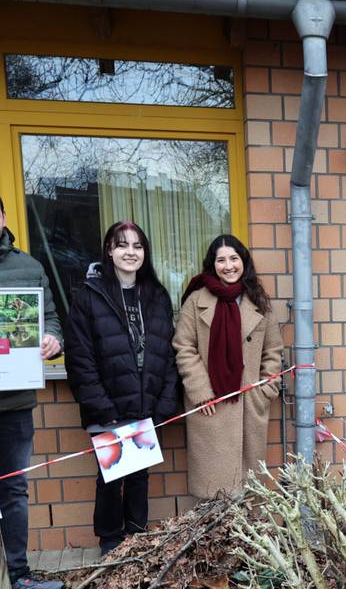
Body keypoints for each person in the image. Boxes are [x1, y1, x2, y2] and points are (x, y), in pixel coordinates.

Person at [65, 221, 178, 555]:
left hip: (146, 405)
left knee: (140, 476)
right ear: (109, 251)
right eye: (122, 245)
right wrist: (104, 407)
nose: (131, 252)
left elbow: (168, 353)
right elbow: (80, 359)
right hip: (108, 406)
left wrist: (164, 403)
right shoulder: (90, 296)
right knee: (111, 477)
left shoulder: (156, 296)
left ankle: (137, 539)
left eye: (137, 246)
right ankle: (111, 543)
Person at [173, 235, 282, 499]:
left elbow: (273, 351)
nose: (228, 266)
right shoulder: (195, 300)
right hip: (210, 406)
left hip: (249, 405)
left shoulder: (259, 301)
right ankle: (216, 537)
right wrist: (200, 391)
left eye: (234, 258)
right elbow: (183, 347)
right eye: (221, 260)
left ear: (243, 261)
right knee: (214, 493)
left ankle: (245, 538)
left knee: (248, 491)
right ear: (213, 264)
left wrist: (264, 391)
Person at [0, 196, 64, 589]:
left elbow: (52, 317)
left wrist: (53, 339)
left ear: (3, 216)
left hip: (15, 404)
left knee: (14, 490)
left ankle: (19, 573)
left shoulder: (30, 267)